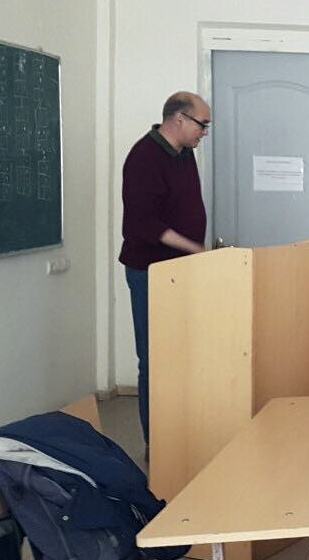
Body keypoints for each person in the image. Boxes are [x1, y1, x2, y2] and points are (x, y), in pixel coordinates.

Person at [119, 91, 211, 448]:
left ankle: (183, 436)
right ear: (179, 119)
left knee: (183, 356)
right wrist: (196, 249)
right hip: (150, 273)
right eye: (202, 124)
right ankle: (157, 445)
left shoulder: (185, 154)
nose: (204, 132)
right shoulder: (144, 158)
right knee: (154, 360)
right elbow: (144, 224)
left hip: (183, 271)